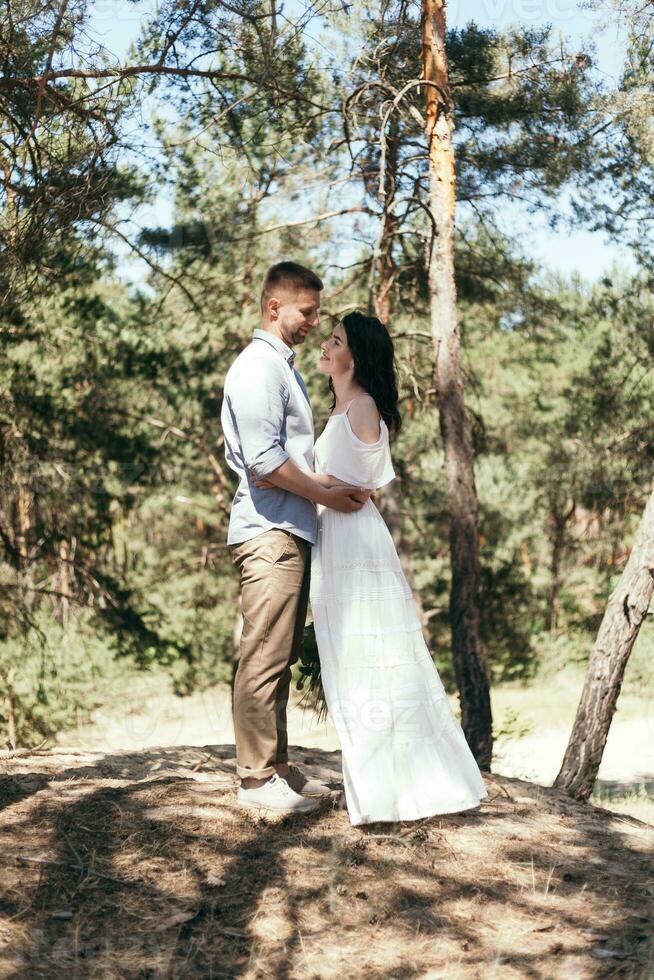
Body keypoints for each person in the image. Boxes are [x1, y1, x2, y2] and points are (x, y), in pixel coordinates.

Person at [306, 311, 488, 825]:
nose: (325, 345)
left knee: (373, 658)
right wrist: (317, 485)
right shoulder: (342, 406)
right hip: (337, 542)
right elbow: (338, 486)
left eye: (335, 340)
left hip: (356, 545)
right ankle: (376, 788)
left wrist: (300, 481)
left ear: (354, 357)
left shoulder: (362, 406)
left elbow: (358, 492)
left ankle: (394, 793)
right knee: (353, 661)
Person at [220, 262, 370, 816]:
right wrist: (328, 497)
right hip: (270, 529)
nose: (313, 321)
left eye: (315, 311)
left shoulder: (283, 368)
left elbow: (297, 460)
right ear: (273, 307)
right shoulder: (258, 369)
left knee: (278, 655)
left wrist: (341, 485)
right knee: (263, 655)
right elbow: (264, 463)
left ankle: (278, 767)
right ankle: (256, 784)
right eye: (306, 311)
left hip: (290, 527)